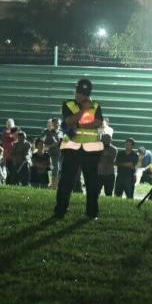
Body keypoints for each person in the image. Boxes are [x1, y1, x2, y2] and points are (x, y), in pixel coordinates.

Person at [54, 78, 104, 219]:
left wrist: (80, 124)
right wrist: (84, 110)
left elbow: (99, 123)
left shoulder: (96, 105)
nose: (77, 94)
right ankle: (60, 211)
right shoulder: (68, 104)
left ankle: (92, 213)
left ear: (86, 94)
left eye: (80, 92)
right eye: (77, 92)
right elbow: (68, 121)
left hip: (91, 149)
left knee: (92, 183)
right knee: (66, 182)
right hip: (71, 148)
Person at [41, 118, 63, 189]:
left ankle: (56, 186)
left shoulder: (61, 133)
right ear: (52, 124)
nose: (57, 125)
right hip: (52, 155)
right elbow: (42, 145)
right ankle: (53, 186)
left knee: (60, 171)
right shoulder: (47, 133)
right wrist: (53, 145)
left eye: (58, 123)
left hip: (61, 155)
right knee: (54, 170)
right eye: (55, 123)